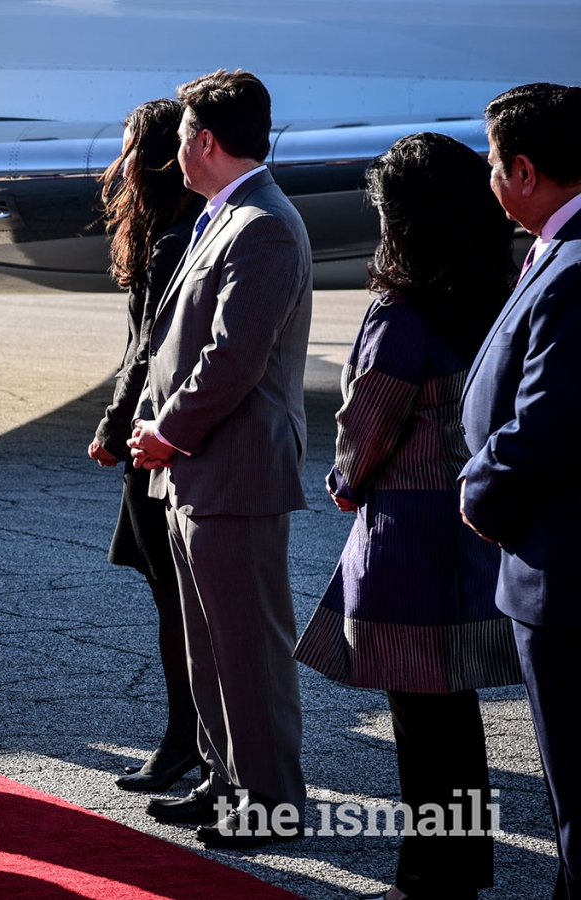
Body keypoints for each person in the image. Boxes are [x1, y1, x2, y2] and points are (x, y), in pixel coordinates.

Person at [294, 132, 521, 900]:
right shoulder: (497, 293)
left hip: (409, 533)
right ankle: (462, 866)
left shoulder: (401, 314)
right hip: (472, 529)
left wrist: (346, 482)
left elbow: (366, 427)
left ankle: (432, 877)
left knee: (422, 722)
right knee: (456, 715)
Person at [129, 69, 311, 847]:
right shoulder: (224, 213)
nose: (174, 148)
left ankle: (269, 801)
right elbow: (176, 339)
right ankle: (223, 779)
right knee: (210, 648)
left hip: (232, 467)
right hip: (200, 469)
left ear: (206, 140)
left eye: (181, 135)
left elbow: (232, 359)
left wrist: (166, 430)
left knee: (249, 653)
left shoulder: (262, 222)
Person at [461, 82, 581, 900]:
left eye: (493, 162)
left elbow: (546, 423)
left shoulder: (574, 266)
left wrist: (477, 493)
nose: (490, 178)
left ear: (527, 169)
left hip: (564, 569)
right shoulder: (557, 249)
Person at [87, 99, 204, 792]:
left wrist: (110, 425)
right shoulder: (172, 227)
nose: (124, 161)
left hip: (155, 439)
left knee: (176, 603)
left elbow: (147, 350)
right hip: (155, 434)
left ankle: (184, 741)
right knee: (174, 601)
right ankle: (189, 738)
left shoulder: (174, 237)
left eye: (133, 146)